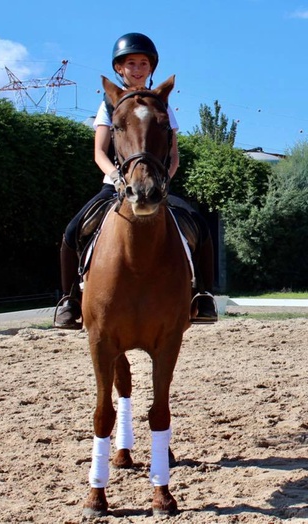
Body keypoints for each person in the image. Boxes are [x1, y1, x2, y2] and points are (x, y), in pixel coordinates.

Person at [53, 32, 218, 329]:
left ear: (151, 67)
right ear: (119, 68)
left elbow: (174, 154)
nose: (138, 69)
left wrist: (164, 180)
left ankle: (203, 295)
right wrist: (117, 179)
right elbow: (99, 153)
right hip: (116, 184)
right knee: (72, 230)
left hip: (156, 184)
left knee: (199, 224)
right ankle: (69, 300)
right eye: (131, 63)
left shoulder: (161, 105)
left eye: (143, 63)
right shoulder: (109, 104)